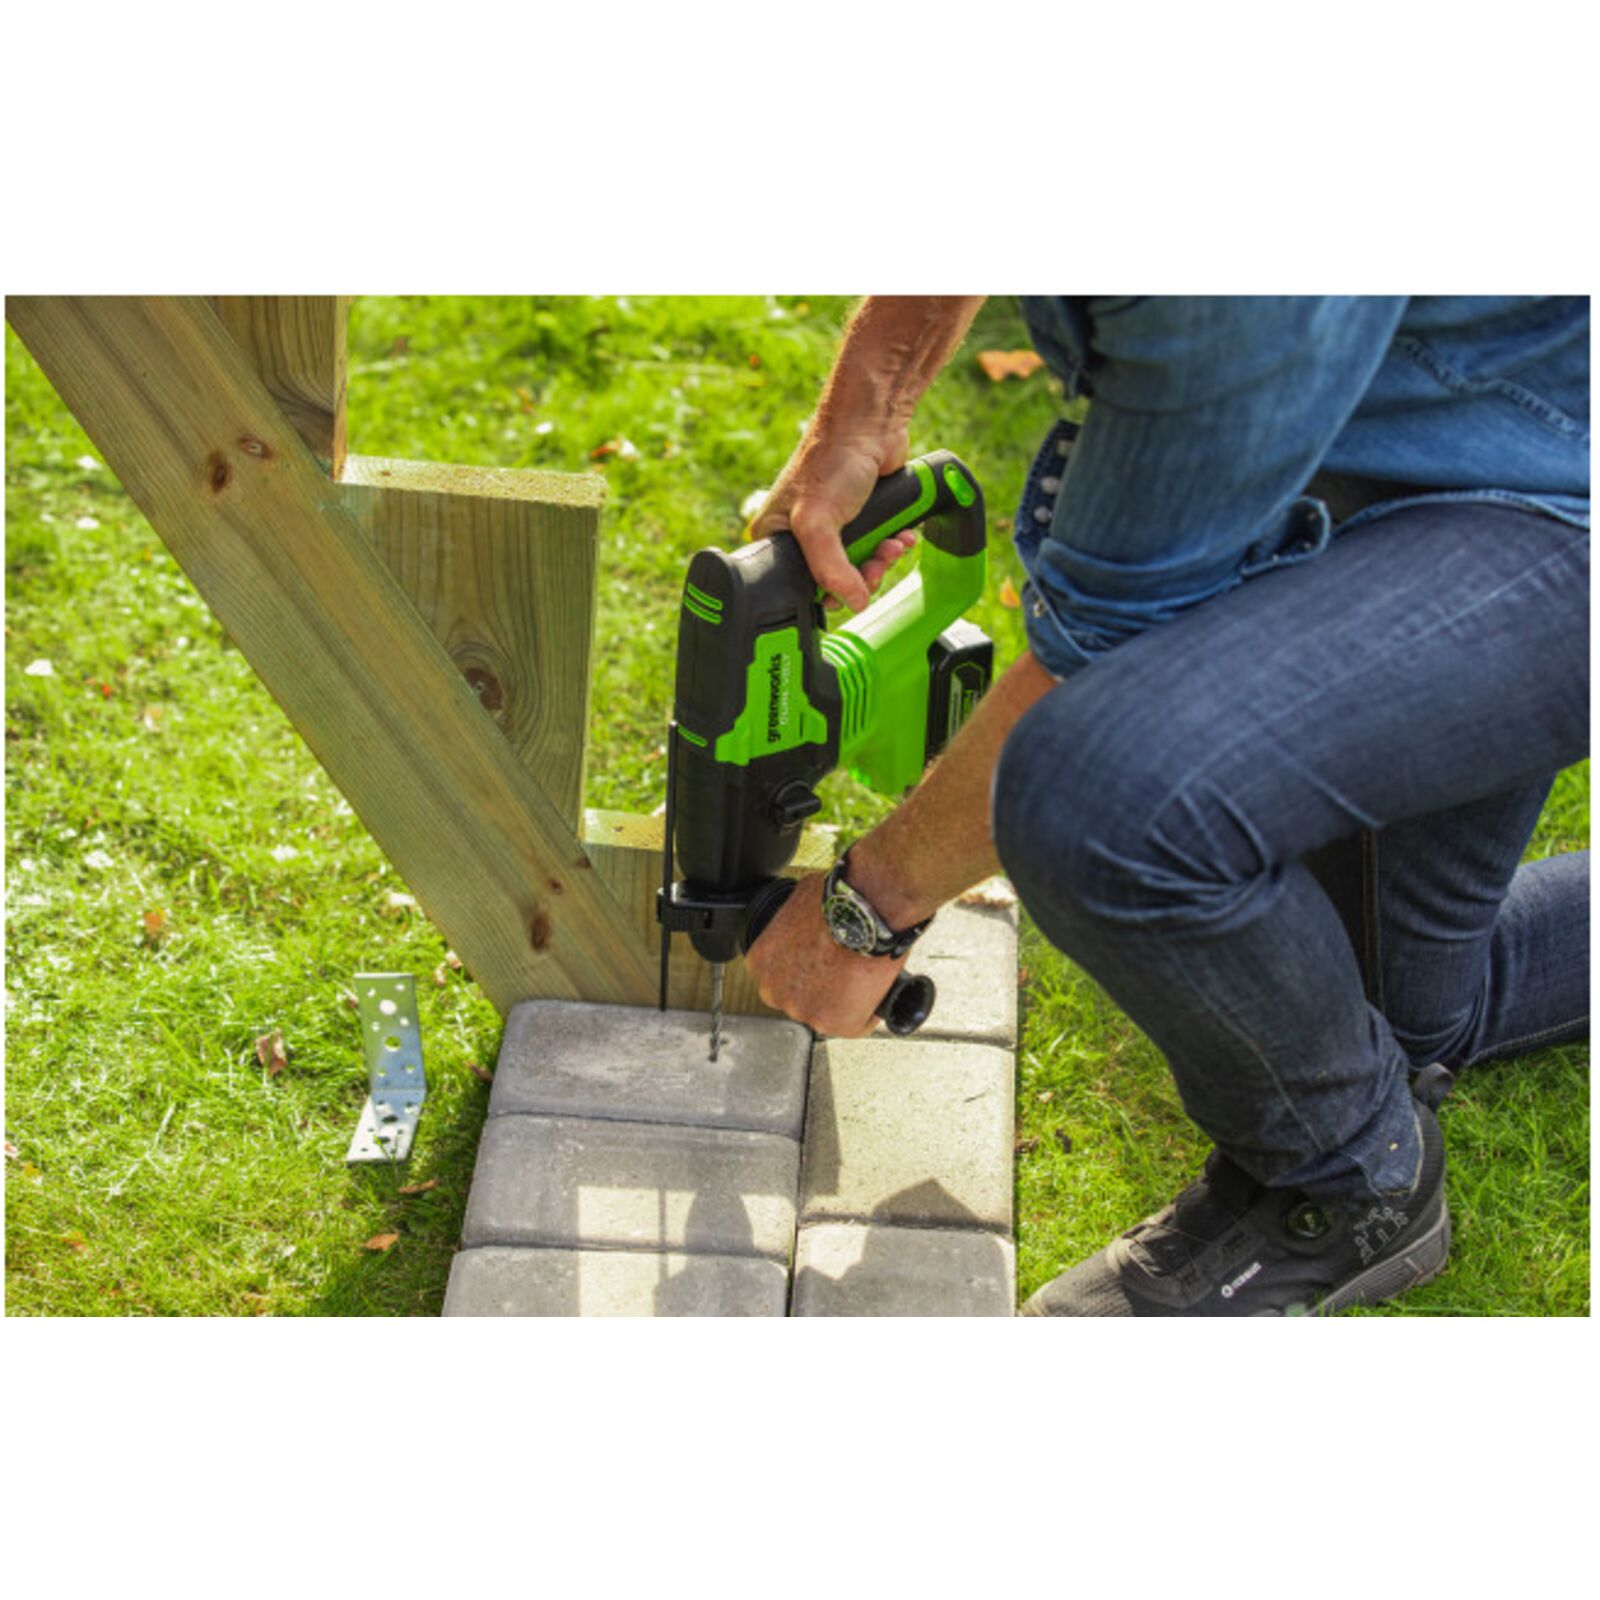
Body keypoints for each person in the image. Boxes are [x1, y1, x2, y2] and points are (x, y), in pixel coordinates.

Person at [743, 295, 1590, 1317]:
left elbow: (1100, 656)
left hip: (1550, 501)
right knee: (1383, 1011)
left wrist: (867, 907)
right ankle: (1413, 1019)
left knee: (1103, 796)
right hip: (1453, 414)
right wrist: (862, 412)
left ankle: (1350, 1182)